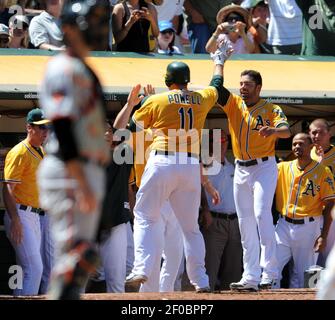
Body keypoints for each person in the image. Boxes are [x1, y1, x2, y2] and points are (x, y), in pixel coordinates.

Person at [113, 41, 233, 292]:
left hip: (163, 160)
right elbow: (217, 86)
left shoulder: (157, 100)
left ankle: (142, 269)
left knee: (145, 217)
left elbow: (122, 130)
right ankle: (200, 280)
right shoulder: (200, 97)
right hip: (189, 164)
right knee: (190, 228)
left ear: (168, 80)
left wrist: (136, 102)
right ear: (187, 81)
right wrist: (219, 61)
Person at [37, 0, 111, 300]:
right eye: (87, 24)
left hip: (82, 169)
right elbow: (64, 127)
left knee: (82, 258)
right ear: (67, 29)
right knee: (74, 260)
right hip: (70, 171)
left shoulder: (83, 67)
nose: (95, 28)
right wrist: (81, 182)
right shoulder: (62, 67)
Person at [217, 69, 291, 291]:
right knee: (245, 222)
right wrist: (219, 62)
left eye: (248, 84)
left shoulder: (270, 108)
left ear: (258, 87)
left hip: (264, 167)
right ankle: (250, 276)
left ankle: (270, 272)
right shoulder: (234, 104)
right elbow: (217, 89)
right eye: (241, 84)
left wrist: (274, 131)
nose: (243, 88)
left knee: (261, 214)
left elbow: (286, 131)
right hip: (241, 168)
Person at [274, 133, 335, 288]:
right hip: (283, 224)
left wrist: (323, 235)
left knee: (305, 276)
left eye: (301, 144)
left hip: (309, 226)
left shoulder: (323, 171)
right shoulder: (282, 167)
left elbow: (329, 205)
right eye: (294, 144)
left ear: (311, 146)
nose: (297, 147)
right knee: (270, 269)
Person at [3, 108, 50, 296]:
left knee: (25, 270)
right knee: (35, 268)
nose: (44, 132)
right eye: (40, 128)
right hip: (20, 213)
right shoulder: (19, 152)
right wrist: (15, 219)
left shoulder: (41, 150)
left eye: (46, 128)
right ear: (29, 127)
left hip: (35, 215)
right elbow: (7, 190)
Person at [94, 120, 134, 293]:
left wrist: (133, 105)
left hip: (116, 222)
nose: (105, 134)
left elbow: (125, 131)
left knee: (117, 282)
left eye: (109, 130)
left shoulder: (123, 154)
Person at [201, 128, 243, 291]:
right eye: (217, 141)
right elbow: (198, 190)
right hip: (214, 221)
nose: (221, 144)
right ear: (209, 144)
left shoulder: (233, 167)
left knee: (233, 272)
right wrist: (205, 210)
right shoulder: (204, 166)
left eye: (224, 141)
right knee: (209, 269)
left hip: (234, 222)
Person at [309, 119, 335, 267]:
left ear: (329, 133)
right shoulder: (305, 153)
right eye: (313, 132)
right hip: (312, 214)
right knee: (312, 262)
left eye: (320, 132)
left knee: (330, 258)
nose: (316, 135)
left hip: (332, 213)